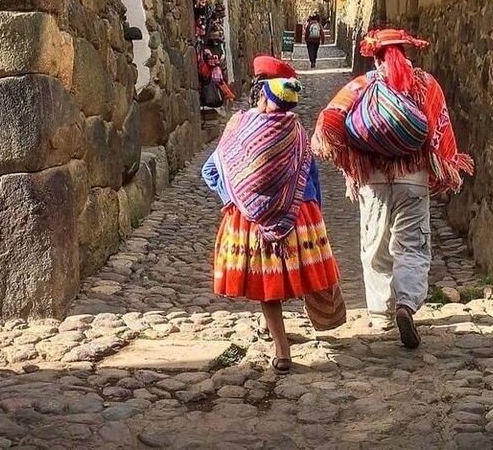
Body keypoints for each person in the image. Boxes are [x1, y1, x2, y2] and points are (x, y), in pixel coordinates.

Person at [312, 28, 474, 350]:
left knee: (375, 246)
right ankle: (406, 305)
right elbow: (439, 132)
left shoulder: (361, 85)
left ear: (375, 56)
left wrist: (350, 157)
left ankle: (382, 314)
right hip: (413, 179)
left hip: (372, 180)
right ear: (406, 51)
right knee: (412, 247)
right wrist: (440, 169)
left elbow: (329, 121)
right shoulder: (426, 85)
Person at [203, 76, 339, 373]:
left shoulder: (239, 130)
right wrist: (316, 212)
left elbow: (210, 170)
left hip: (253, 221)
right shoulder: (298, 134)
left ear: (263, 99)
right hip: (300, 216)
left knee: (269, 285)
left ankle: (282, 350)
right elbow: (311, 175)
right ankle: (318, 319)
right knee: (301, 277)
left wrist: (235, 197)